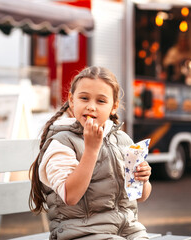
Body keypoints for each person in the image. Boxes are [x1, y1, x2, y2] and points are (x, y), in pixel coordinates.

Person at [29, 66, 152, 240]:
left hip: (129, 231)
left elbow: (139, 196)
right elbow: (70, 196)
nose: (91, 107)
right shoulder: (62, 142)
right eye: (84, 98)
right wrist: (91, 150)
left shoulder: (123, 140)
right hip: (79, 233)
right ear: (72, 101)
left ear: (114, 106)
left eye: (101, 101)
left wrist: (143, 180)